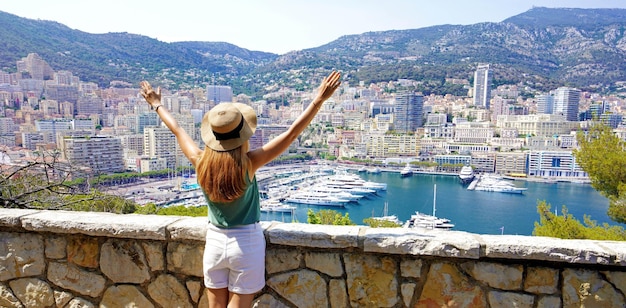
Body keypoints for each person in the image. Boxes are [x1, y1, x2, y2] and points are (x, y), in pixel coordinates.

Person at [139, 71, 341, 308]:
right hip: (247, 243)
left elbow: (178, 131)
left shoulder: (199, 160)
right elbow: (292, 133)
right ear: (243, 135)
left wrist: (157, 104)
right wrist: (318, 99)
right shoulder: (250, 163)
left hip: (214, 242)